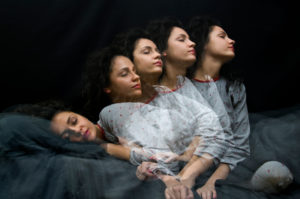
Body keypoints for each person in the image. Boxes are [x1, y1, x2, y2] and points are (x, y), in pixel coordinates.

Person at [187, 16, 293, 198]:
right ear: (203, 44)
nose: (231, 40)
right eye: (222, 36)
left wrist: (214, 181)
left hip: (233, 157)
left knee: (277, 172)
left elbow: (240, 142)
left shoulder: (234, 87)